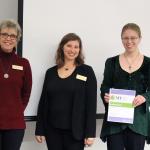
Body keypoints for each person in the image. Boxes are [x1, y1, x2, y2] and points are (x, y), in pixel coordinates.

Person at [35, 33, 97, 150]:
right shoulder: (50, 72)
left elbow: (91, 104)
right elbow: (44, 102)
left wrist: (90, 133)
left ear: (79, 50)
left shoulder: (86, 71)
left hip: (76, 132)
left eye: (76, 47)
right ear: (62, 47)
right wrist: (39, 129)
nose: (72, 50)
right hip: (52, 131)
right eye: (69, 45)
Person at [100, 23, 150, 150]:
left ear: (140, 39)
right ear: (121, 39)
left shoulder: (149, 63)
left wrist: (144, 97)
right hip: (115, 122)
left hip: (138, 122)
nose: (129, 41)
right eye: (125, 38)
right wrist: (106, 95)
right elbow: (105, 86)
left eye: (133, 38)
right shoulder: (111, 62)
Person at [0, 19, 32, 150]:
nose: (8, 38)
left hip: (14, 125)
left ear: (17, 39)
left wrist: (16, 110)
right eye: (4, 34)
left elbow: (26, 92)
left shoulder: (23, 63)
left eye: (12, 35)